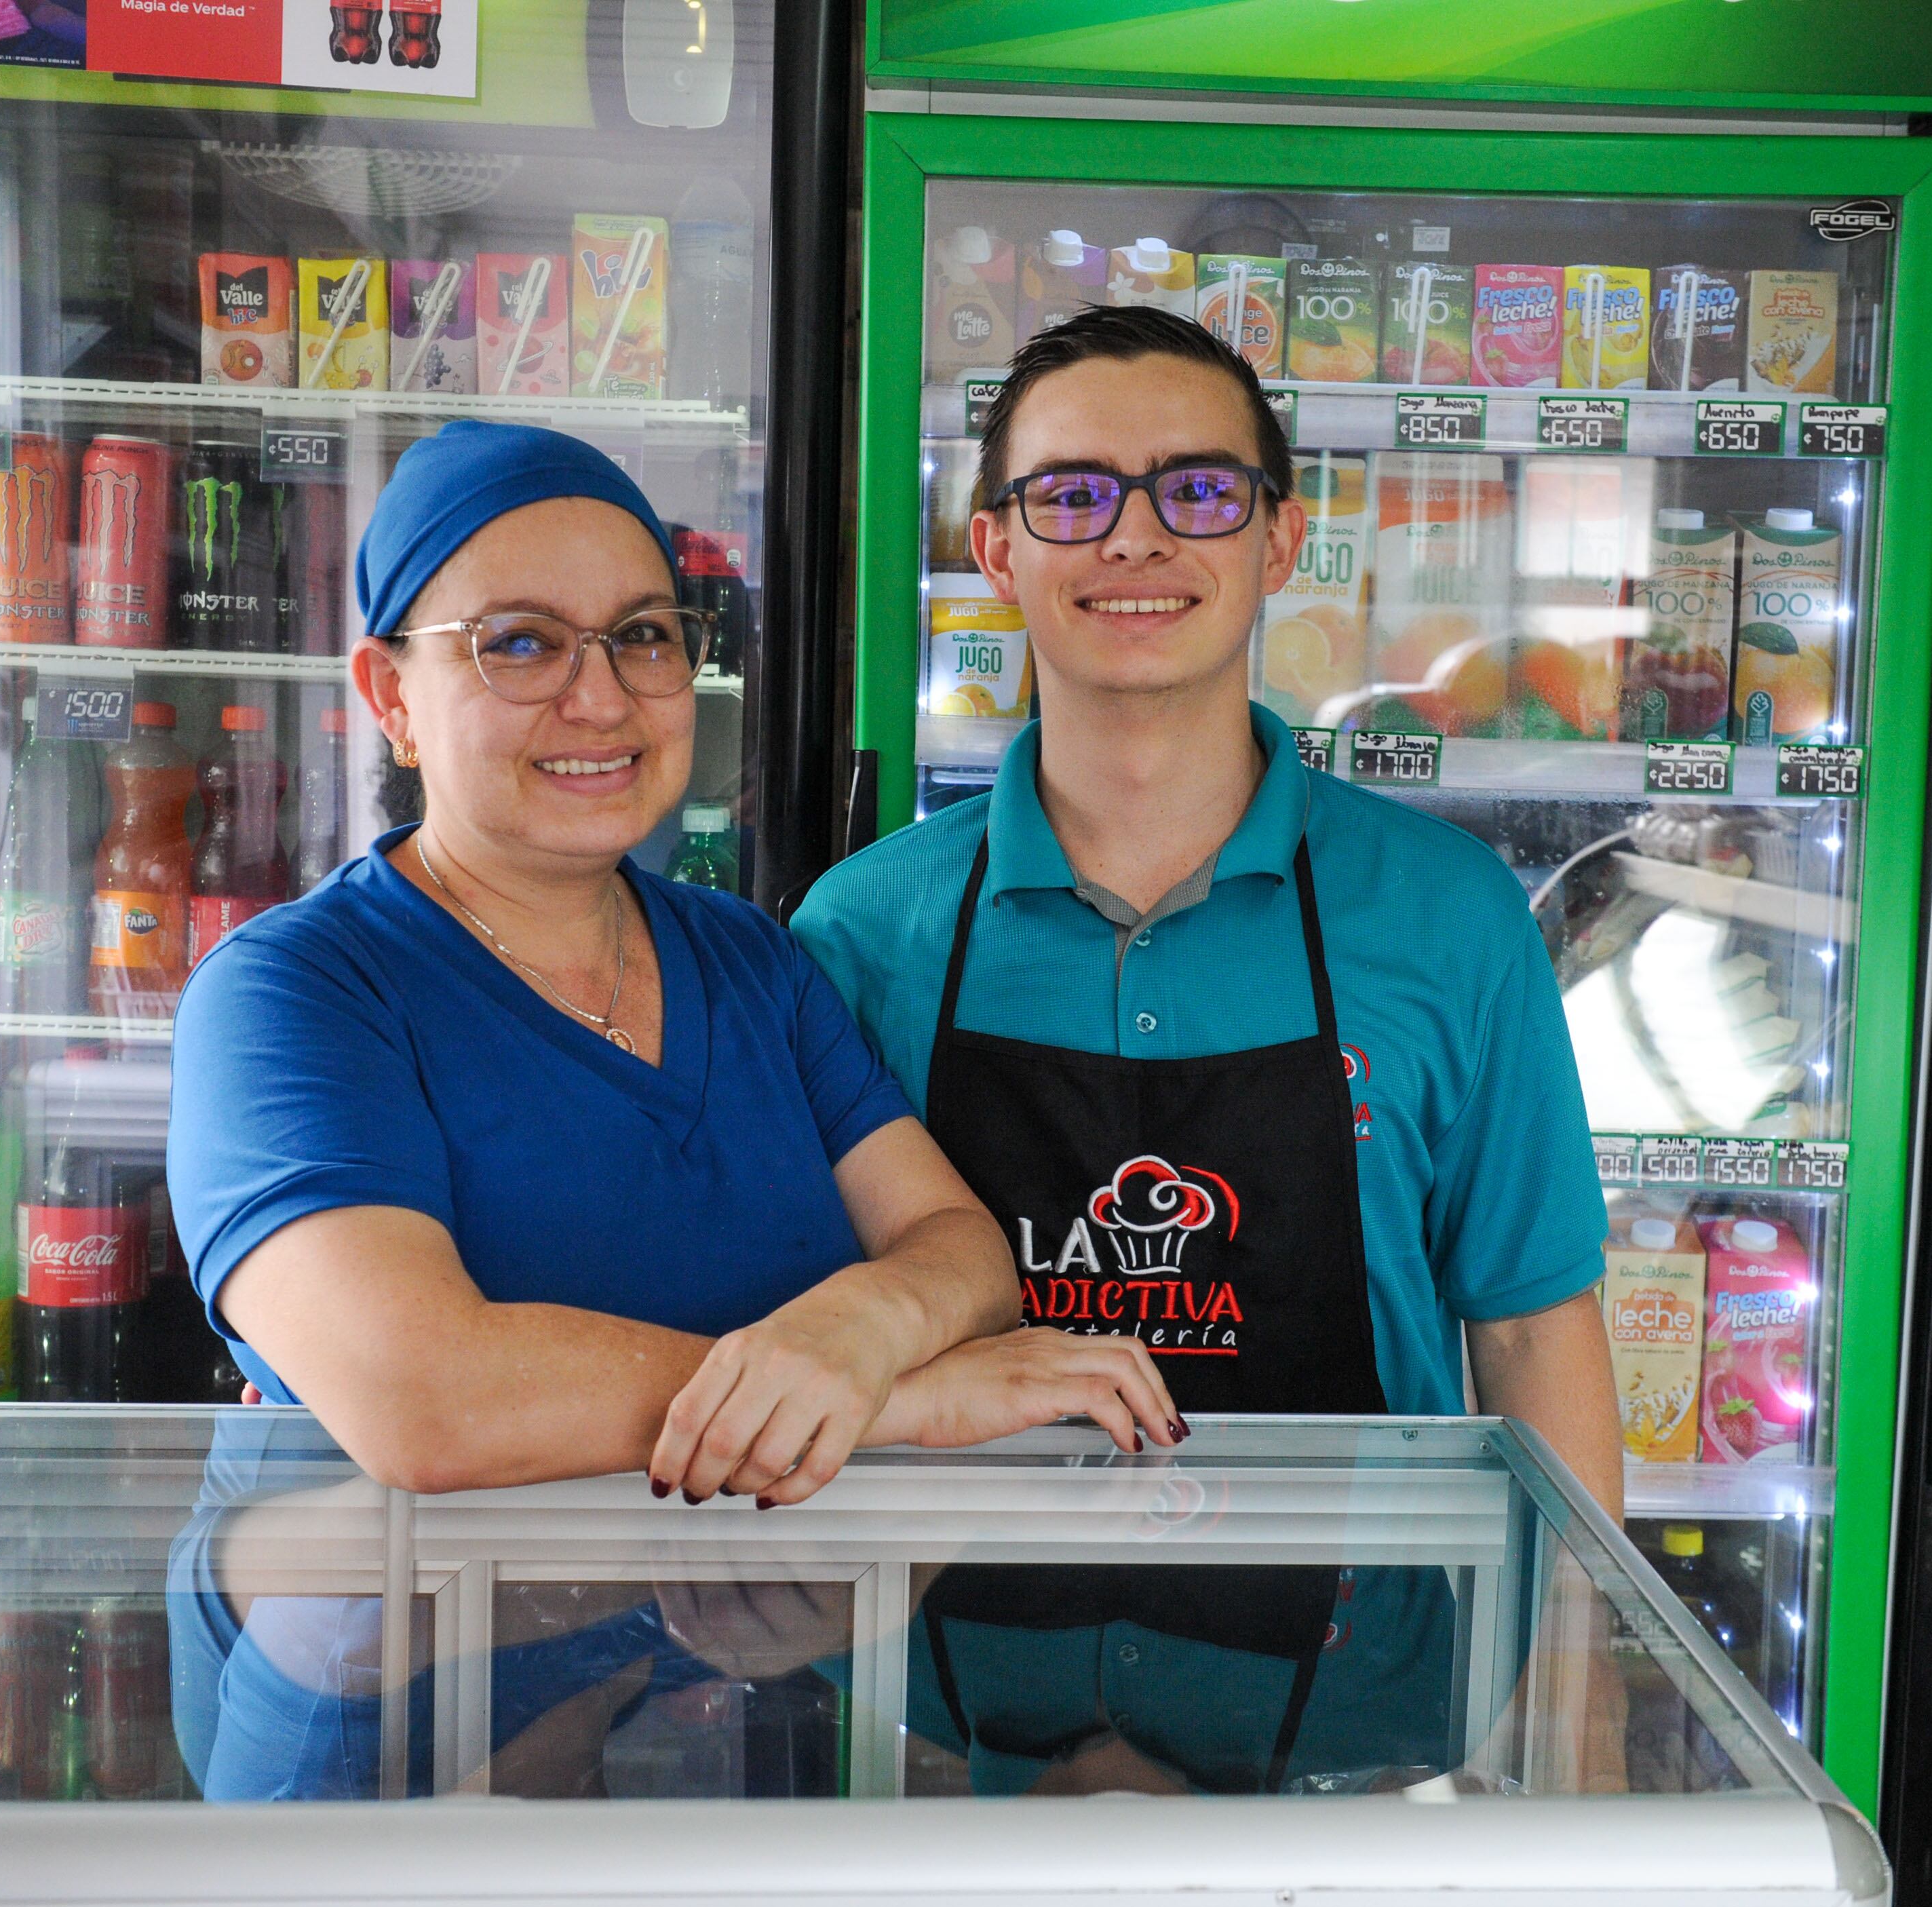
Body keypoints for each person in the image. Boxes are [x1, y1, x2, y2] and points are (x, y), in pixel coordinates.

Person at [791, 307, 1621, 1793]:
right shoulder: (863, 934)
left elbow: (1532, 1330)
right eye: (1071, 494)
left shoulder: (1445, 922)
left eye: (1198, 490)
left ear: (1278, 539)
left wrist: (1585, 1736)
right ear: (995, 549)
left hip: (1358, 1741)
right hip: (950, 1732)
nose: (1133, 538)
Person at [169, 421, 1180, 1509]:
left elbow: (954, 1246)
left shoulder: (745, 958)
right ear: (391, 697)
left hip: (751, 1655)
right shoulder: (293, 993)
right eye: (519, 642)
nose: (602, 699)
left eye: (643, 636)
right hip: (423, 1662)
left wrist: (861, 1327)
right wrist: (890, 1404)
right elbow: (424, 1401)